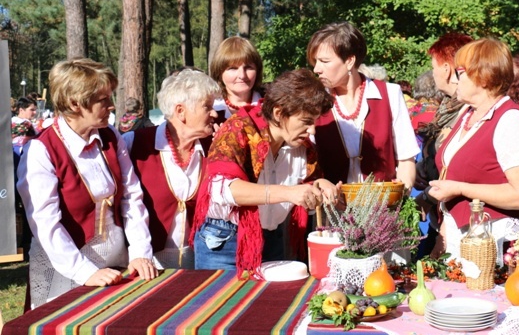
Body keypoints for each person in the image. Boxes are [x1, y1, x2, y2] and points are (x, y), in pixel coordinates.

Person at [17, 58, 158, 309]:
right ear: (75, 103)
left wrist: (139, 252)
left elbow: (131, 198)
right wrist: (84, 272)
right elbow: (45, 223)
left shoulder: (110, 136)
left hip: (115, 261)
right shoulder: (41, 150)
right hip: (64, 267)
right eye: (103, 99)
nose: (112, 105)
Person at [191, 69, 340, 276]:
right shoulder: (237, 130)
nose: (312, 130)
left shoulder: (303, 145)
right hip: (223, 241)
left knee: (268, 305)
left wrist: (320, 186)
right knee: (220, 304)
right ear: (279, 113)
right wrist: (288, 193)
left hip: (270, 238)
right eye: (306, 121)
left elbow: (307, 182)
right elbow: (221, 190)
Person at [427, 38, 519, 264]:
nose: (456, 80)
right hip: (463, 240)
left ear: (483, 76)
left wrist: (460, 189)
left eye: (461, 72)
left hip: (498, 245)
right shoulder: (468, 114)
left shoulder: (511, 121)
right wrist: (444, 234)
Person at [124, 69, 220, 269]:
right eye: (207, 107)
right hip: (148, 264)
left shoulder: (214, 147)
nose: (214, 113)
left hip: (201, 262)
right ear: (180, 111)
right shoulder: (134, 143)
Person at [307, 22, 419, 189]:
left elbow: (405, 159)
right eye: (315, 61)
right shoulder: (313, 100)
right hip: (332, 210)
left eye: (324, 61)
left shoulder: (390, 94)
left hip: (383, 209)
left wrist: (402, 195)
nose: (316, 69)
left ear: (350, 61)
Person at [413, 32, 473, 258]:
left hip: (457, 222)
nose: (433, 73)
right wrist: (425, 168)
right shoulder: (447, 107)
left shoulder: (467, 110)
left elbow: (458, 170)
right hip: (440, 217)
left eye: (434, 66)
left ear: (447, 68)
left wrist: (426, 198)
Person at [209, 36, 264, 125]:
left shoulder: (270, 107)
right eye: (233, 68)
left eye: (248, 67)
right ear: (219, 72)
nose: (242, 75)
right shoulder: (209, 109)